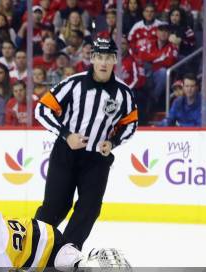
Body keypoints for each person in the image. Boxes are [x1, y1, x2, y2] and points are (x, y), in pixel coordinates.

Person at [34, 37, 138, 249]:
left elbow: (131, 123)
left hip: (97, 160)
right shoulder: (74, 83)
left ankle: (66, 254)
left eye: (108, 57)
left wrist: (113, 142)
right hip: (66, 153)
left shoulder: (123, 93)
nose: (103, 62)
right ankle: (33, 248)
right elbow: (42, 109)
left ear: (115, 60)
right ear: (92, 58)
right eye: (99, 57)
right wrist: (66, 134)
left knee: (90, 209)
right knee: (55, 207)